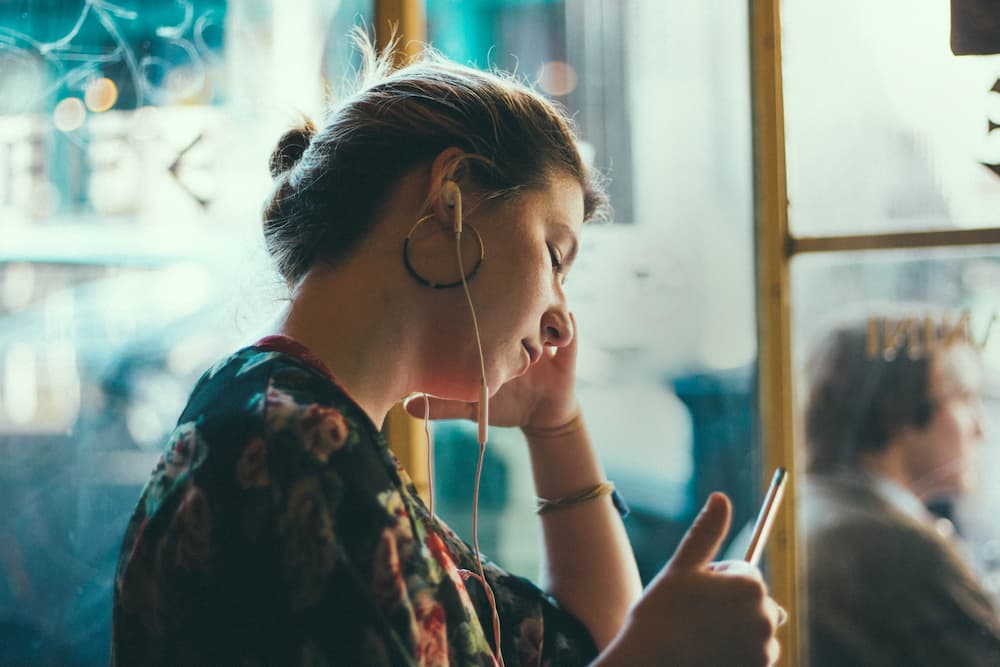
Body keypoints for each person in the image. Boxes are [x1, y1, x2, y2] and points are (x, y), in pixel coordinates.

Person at [111, 32, 783, 666]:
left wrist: (555, 421)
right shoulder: (302, 450)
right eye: (554, 254)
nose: (560, 321)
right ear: (449, 200)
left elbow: (584, 641)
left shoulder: (282, 415)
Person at [800, 310, 1000, 666]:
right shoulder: (892, 545)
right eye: (964, 397)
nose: (980, 428)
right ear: (899, 409)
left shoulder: (811, 508)